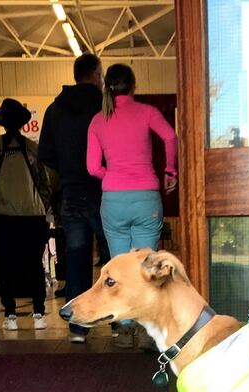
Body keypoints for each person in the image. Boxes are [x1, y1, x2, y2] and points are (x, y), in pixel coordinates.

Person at [86, 64, 178, 348]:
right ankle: (148, 330)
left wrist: (113, 177)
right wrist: (169, 171)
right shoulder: (147, 112)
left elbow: (91, 167)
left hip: (113, 201)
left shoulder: (98, 120)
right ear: (133, 86)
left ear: (107, 87)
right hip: (145, 197)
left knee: (119, 268)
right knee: (146, 267)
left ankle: (124, 330)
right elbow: (170, 137)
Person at [38, 54, 109, 343]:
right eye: (101, 74)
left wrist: (68, 172)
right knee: (110, 259)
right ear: (94, 74)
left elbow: (45, 154)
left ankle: (78, 328)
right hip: (103, 191)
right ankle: (118, 325)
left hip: (71, 193)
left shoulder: (55, 109)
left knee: (77, 258)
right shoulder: (104, 105)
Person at [0, 98, 56, 331]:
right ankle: (38, 313)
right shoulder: (33, 149)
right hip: (33, 215)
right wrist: (44, 207)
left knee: (4, 266)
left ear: (3, 123)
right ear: (23, 123)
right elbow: (47, 182)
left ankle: (11, 315)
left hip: (1, 214)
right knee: (34, 264)